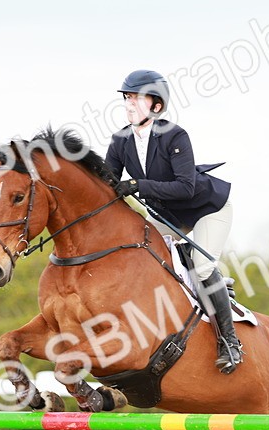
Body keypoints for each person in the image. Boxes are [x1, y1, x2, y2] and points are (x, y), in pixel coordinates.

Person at [103, 69, 242, 373]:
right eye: (127, 98)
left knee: (202, 265)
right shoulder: (120, 141)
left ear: (156, 105)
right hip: (170, 216)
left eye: (136, 98)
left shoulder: (174, 136)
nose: (129, 104)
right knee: (140, 249)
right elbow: (105, 183)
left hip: (207, 208)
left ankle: (230, 343)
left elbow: (185, 187)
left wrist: (139, 185)